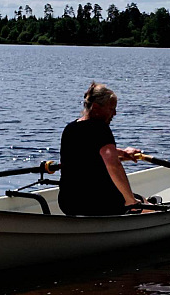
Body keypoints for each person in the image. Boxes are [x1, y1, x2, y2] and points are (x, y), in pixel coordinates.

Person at [58, 82, 143, 216]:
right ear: (96, 108)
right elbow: (113, 164)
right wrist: (130, 200)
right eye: (111, 108)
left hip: (68, 203)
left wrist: (123, 153)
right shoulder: (100, 129)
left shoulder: (71, 129)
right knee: (143, 203)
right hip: (97, 203)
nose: (114, 113)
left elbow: (89, 154)